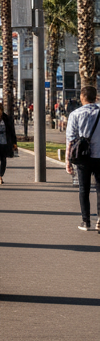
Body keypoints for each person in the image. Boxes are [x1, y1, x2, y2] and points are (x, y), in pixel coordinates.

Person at [65, 85, 100, 232]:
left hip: (82, 157)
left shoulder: (75, 114)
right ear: (95, 96)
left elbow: (71, 140)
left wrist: (68, 161)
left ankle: (86, 221)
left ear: (82, 97)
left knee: (83, 189)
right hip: (99, 156)